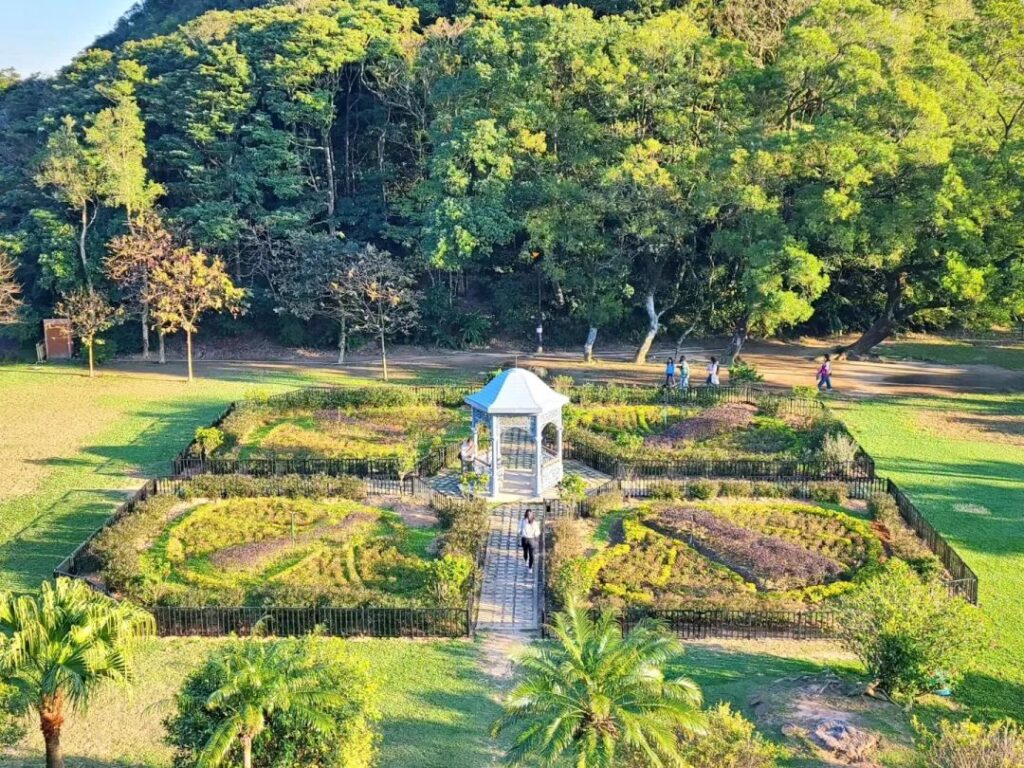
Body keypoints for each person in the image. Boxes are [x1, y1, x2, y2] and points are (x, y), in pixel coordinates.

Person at [518, 509, 541, 574]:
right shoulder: (524, 521)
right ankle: (528, 564)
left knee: (529, 553)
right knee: (528, 553)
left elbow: (538, 531)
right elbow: (519, 530)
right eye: (528, 515)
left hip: (529, 539)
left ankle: (528, 565)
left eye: (529, 515)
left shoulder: (533, 523)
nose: (528, 516)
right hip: (528, 539)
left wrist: (535, 534)